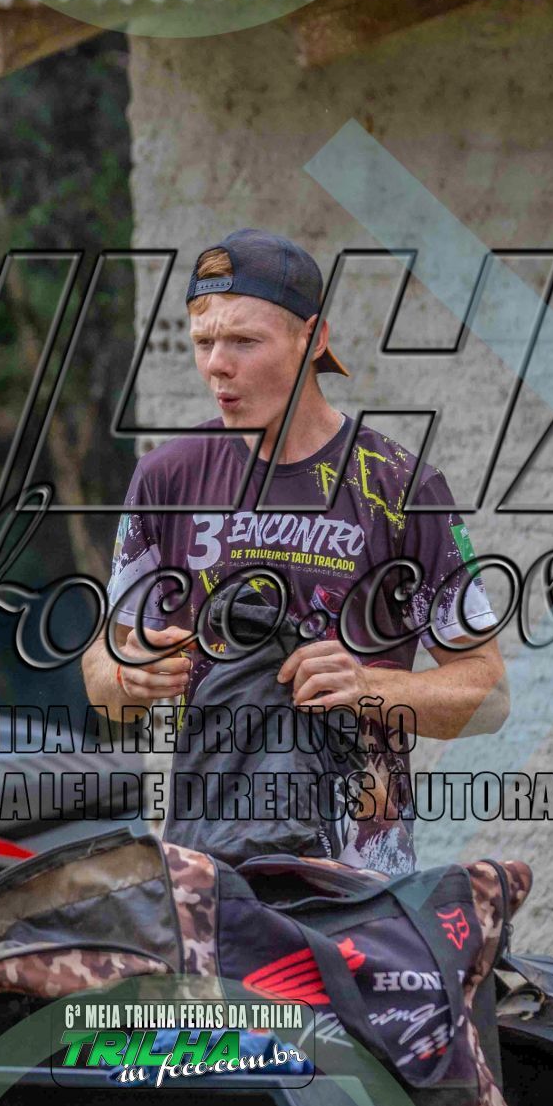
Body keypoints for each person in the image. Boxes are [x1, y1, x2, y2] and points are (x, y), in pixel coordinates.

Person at [81, 228, 508, 876]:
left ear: (314, 337)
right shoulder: (168, 478)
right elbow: (102, 678)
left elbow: (489, 695)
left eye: (244, 341)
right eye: (203, 342)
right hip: (210, 867)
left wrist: (368, 687)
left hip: (358, 876)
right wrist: (127, 673)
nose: (217, 365)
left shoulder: (399, 486)